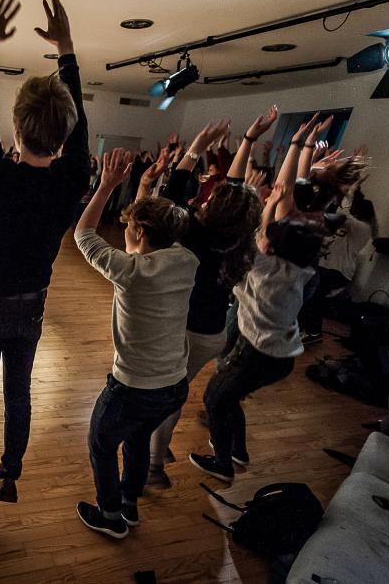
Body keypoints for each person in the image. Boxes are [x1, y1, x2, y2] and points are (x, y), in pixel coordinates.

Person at [0, 0, 90, 503]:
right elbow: (75, 126)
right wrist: (67, 51)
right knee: (19, 394)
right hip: (32, 306)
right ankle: (11, 472)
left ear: (15, 131)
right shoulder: (73, 176)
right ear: (63, 140)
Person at [190, 119, 326, 483]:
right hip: (282, 357)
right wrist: (299, 150)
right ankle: (238, 450)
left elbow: (258, 235)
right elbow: (266, 235)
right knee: (228, 397)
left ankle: (223, 462)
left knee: (215, 399)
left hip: (259, 353)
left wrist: (270, 202)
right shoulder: (300, 269)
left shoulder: (263, 267)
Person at [144, 110, 274, 488]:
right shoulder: (241, 237)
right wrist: (247, 140)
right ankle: (159, 447)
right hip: (213, 332)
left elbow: (166, 201)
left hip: (185, 331)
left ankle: (152, 466)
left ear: (216, 205)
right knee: (176, 390)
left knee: (166, 395)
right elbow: (235, 193)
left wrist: (196, 147)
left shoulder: (197, 234)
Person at [72, 148, 197, 539]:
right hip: (173, 385)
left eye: (132, 227)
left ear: (139, 233)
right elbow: (157, 226)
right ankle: (128, 502)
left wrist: (107, 185)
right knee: (138, 439)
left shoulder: (131, 272)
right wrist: (144, 187)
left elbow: (83, 234)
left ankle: (111, 517)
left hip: (134, 388)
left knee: (101, 442)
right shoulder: (185, 259)